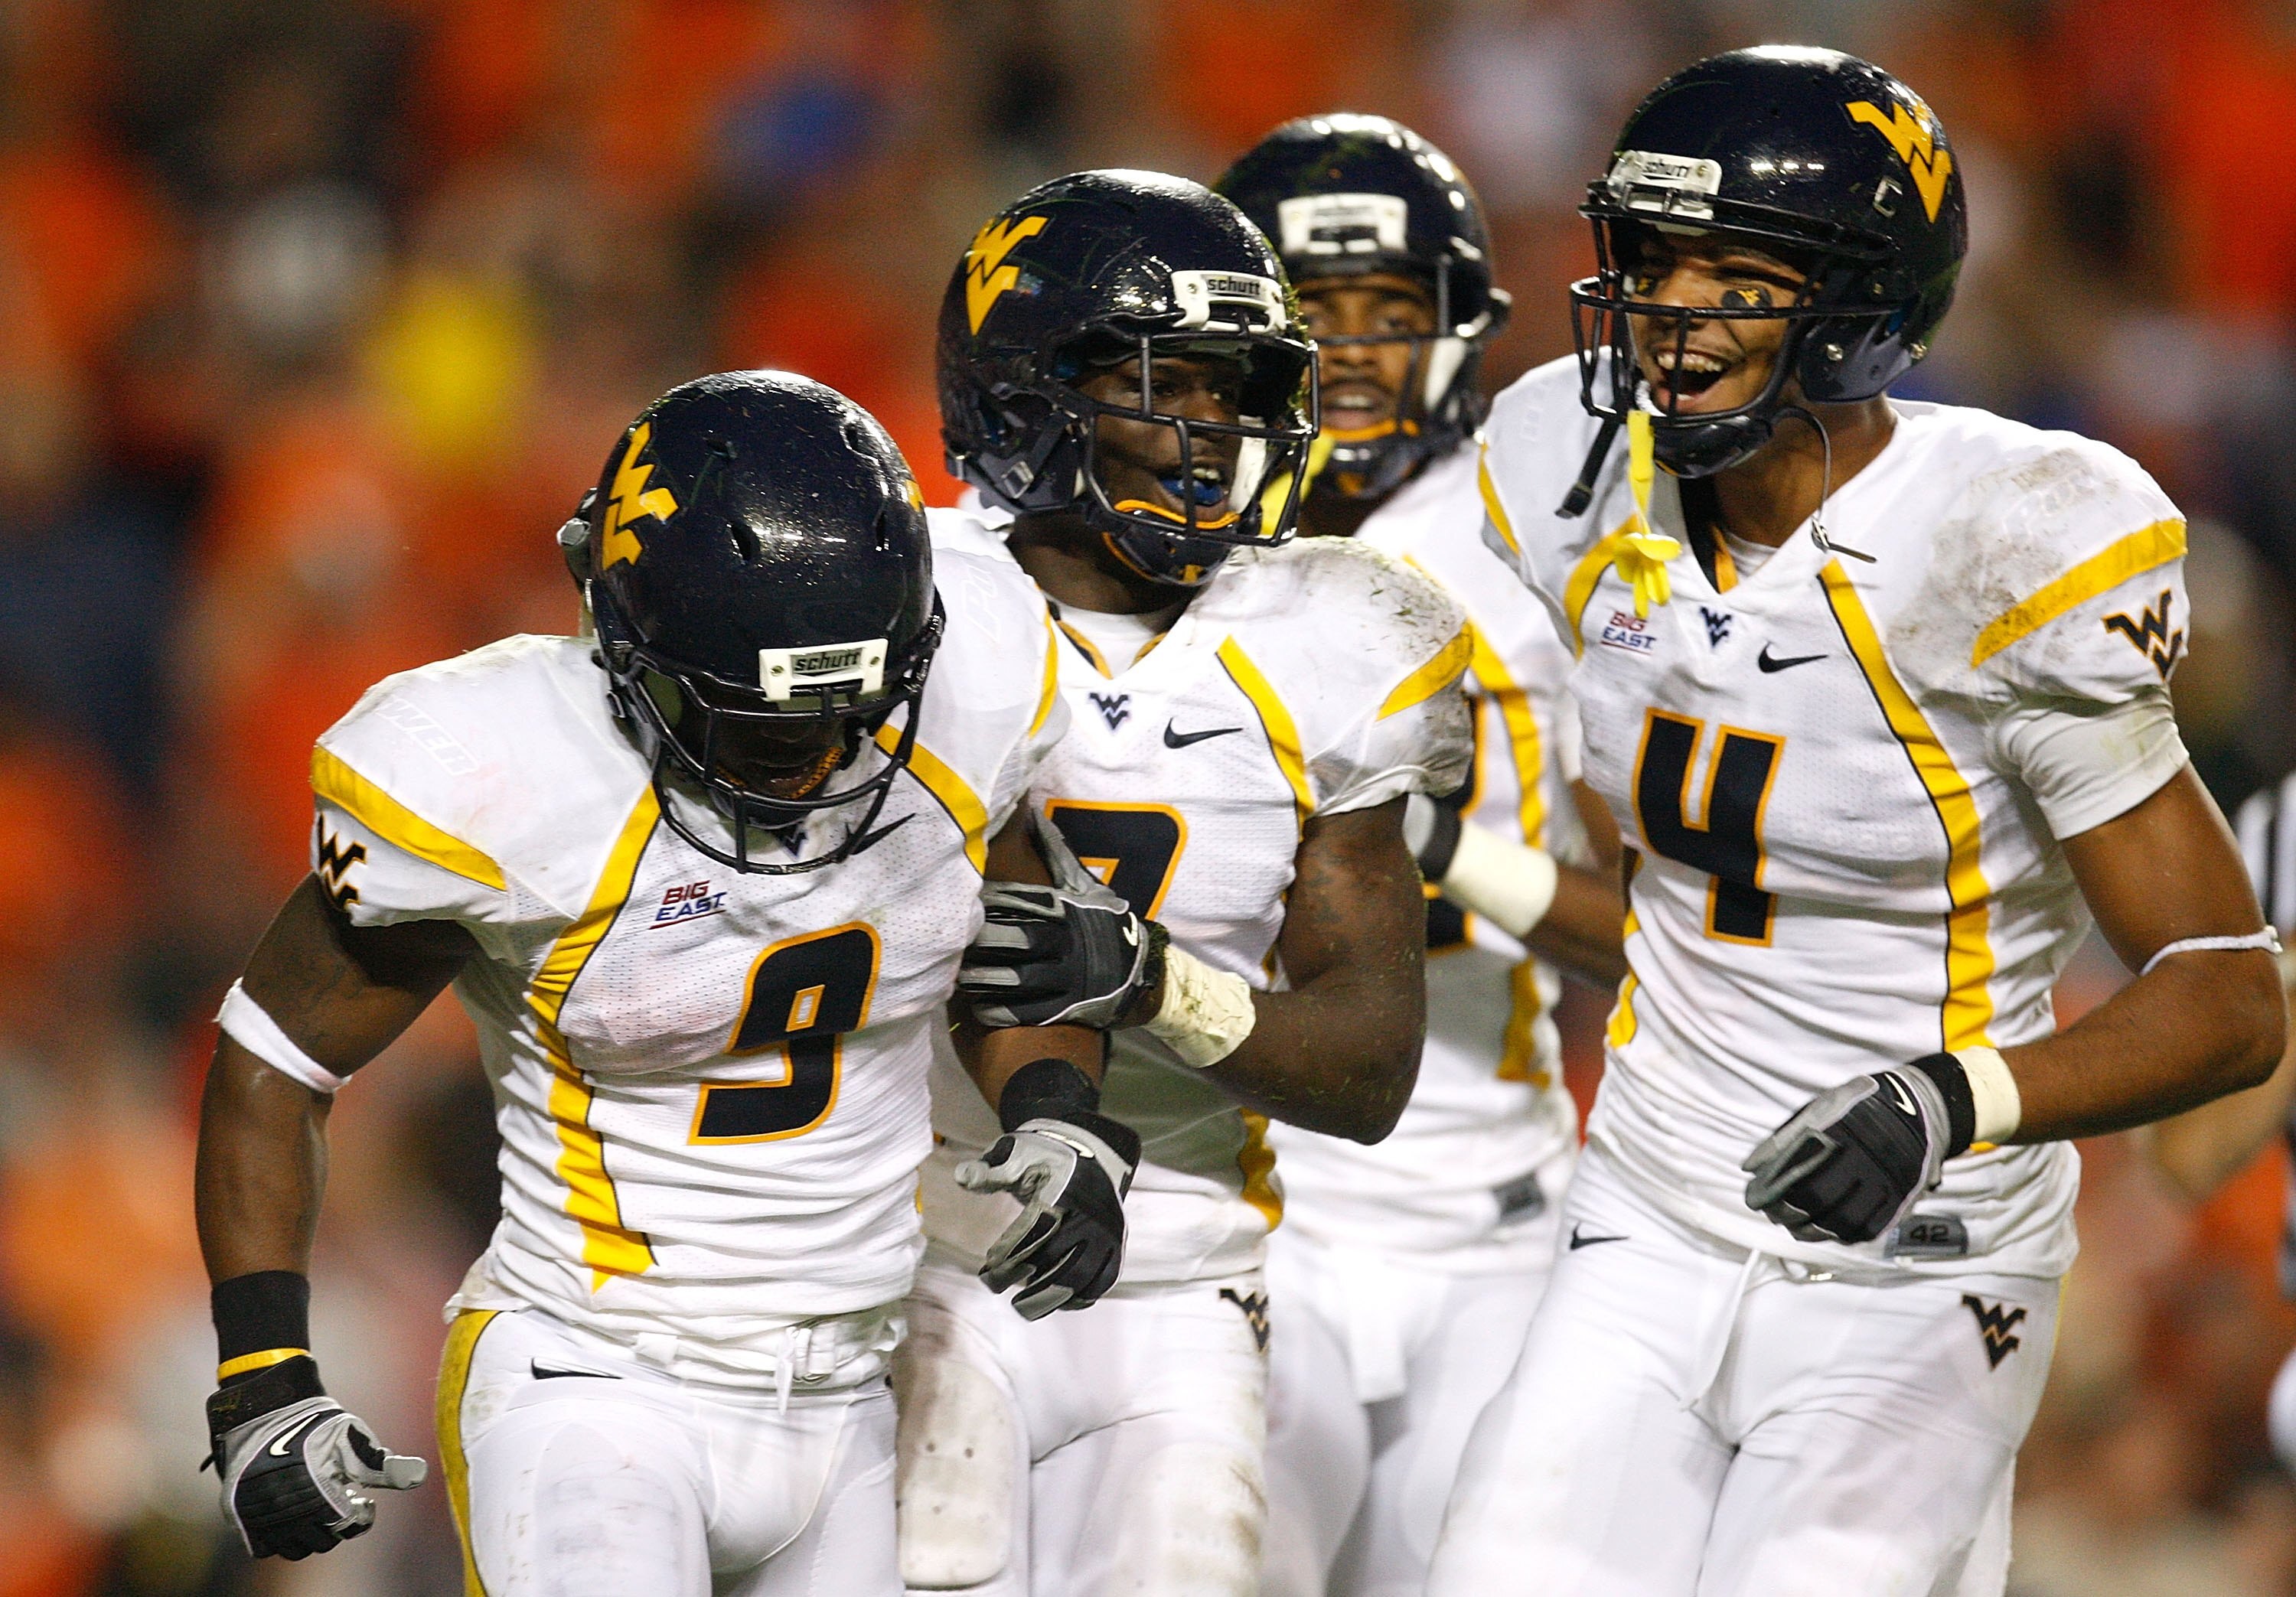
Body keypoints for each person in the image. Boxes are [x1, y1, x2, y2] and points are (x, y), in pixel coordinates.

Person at [1436, 47, 2287, 1595]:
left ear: (1861, 302)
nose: (1673, 315)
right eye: (1653, 259)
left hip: (1924, 1255)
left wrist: (1943, 1104)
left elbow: (2232, 995)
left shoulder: (2002, 543)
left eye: (1739, 276)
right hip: (1648, 1208)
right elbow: (1659, 897)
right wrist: (1441, 849)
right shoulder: (1557, 457)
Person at [193, 371, 1136, 1595]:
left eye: (852, 711)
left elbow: (1015, 939)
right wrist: (263, 1375)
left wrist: (1056, 1111)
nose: (813, 758)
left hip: (857, 1391)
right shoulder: (513, 776)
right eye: (761, 718)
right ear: (634, 647)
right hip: (596, 1384)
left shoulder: (976, 700)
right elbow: (275, 1057)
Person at [890, 168, 1473, 1597]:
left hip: (1178, 1268)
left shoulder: (1332, 635)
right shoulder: (902, 593)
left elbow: (1369, 1069)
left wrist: (1157, 985)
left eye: (1238, 389)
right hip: (889, 1259)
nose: (1212, 431)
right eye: (1164, 384)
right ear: (1026, 392)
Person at [1212, 114, 1626, 1597]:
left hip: (1498, 1212)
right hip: (1245, 1197)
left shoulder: (1546, 542)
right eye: (1315, 313)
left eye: (1396, 315)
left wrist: (1432, 843)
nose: (1358, 354)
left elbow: (1681, 933)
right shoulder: (1164, 535)